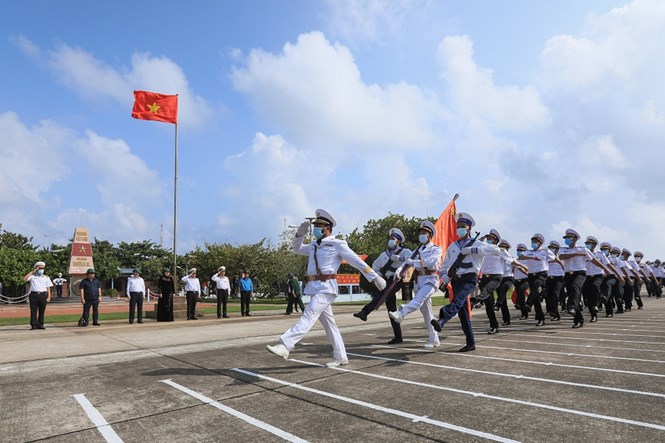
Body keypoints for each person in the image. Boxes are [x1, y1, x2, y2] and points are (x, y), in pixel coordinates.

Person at [266, 209, 386, 368]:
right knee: (330, 326)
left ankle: (286, 345)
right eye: (315, 225)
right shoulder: (314, 245)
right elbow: (296, 249)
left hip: (326, 289)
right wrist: (299, 235)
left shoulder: (338, 244)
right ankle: (341, 356)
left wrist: (373, 276)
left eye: (319, 225)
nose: (315, 228)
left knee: (308, 315)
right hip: (314, 287)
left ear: (327, 228)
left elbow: (356, 261)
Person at [429, 212, 498, 352]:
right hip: (456, 280)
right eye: (458, 226)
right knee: (463, 313)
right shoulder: (452, 246)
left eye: (463, 227)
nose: (460, 229)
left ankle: (442, 319)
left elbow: (496, 250)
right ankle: (470, 342)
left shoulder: (478, 243)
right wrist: (445, 276)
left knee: (458, 300)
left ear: (469, 229)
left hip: (470, 278)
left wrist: (473, 250)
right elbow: (444, 265)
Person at [387, 221, 442, 348]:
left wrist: (415, 263)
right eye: (420, 233)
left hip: (430, 279)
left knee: (418, 300)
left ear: (430, 236)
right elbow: (407, 262)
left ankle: (401, 313)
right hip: (419, 281)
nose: (421, 235)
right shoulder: (417, 250)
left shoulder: (436, 249)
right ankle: (434, 339)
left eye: (424, 233)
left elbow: (432, 261)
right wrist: (399, 270)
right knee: (427, 313)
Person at [353, 227, 412, 344]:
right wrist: (378, 274)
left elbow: (412, 258)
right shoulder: (384, 254)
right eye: (390, 238)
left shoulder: (404, 251)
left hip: (396, 280)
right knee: (392, 310)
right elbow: (375, 265)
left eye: (393, 239)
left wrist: (400, 258)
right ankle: (398, 336)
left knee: (381, 295)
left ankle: (365, 312)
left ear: (398, 241)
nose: (391, 241)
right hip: (385, 280)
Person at [477, 229, 527, 334]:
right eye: (488, 238)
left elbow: (513, 261)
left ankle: (485, 303)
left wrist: (523, 266)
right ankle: (494, 325)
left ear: (496, 241)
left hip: (497, 278)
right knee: (488, 304)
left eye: (491, 238)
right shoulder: (484, 250)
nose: (488, 240)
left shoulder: (501, 251)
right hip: (484, 279)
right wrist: (480, 239)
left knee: (500, 291)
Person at [558, 229, 611, 328]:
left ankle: (573, 307)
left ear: (574, 239)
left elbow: (594, 260)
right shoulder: (563, 249)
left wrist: (605, 269)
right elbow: (562, 256)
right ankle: (578, 320)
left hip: (580, 273)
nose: (567, 239)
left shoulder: (583, 249)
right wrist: (576, 254)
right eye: (566, 238)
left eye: (569, 238)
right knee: (573, 295)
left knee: (575, 288)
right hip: (568, 274)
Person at [519, 233, 559, 326]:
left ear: (540, 243)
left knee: (536, 286)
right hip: (531, 275)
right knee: (536, 298)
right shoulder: (529, 252)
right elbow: (521, 256)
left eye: (536, 241)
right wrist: (532, 257)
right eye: (533, 241)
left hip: (541, 274)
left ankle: (528, 304)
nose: (534, 243)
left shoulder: (545, 251)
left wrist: (561, 264)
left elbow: (553, 258)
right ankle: (540, 318)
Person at [583, 236, 612, 322]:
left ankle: (599, 306)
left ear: (594, 245)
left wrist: (609, 272)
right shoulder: (583, 254)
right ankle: (593, 315)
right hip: (587, 276)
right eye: (586, 243)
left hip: (599, 275)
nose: (587, 245)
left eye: (589, 243)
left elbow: (608, 264)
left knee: (596, 286)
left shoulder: (600, 254)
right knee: (589, 296)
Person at [22, 261, 53, 330]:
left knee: (42, 310)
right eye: (39, 268)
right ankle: (33, 325)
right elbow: (24, 279)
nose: (41, 270)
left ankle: (40, 324)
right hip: (34, 295)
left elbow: (48, 288)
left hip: (42, 295)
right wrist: (33, 271)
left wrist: (49, 296)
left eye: (42, 268)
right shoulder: (32, 276)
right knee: (33, 311)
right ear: (36, 268)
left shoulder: (46, 277)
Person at [545, 240, 565, 322]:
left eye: (553, 248)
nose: (551, 249)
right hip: (549, 278)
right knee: (548, 296)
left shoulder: (562, 257)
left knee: (555, 295)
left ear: (557, 249)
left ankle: (555, 312)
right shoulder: (546, 258)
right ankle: (554, 313)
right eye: (550, 248)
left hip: (559, 279)